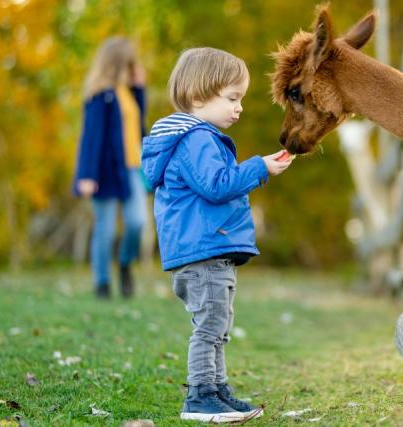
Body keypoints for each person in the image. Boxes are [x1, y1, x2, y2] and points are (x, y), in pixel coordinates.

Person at [141, 47, 293, 423]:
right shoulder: (196, 140)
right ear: (197, 98)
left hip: (209, 250)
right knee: (209, 327)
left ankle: (217, 389)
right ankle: (199, 396)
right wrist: (259, 168)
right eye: (232, 98)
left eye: (240, 98)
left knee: (217, 327)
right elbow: (216, 185)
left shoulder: (200, 138)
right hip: (203, 252)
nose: (239, 107)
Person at [73, 36, 147, 299]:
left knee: (137, 223)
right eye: (130, 63)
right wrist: (86, 175)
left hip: (132, 170)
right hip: (104, 172)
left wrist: (140, 89)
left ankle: (125, 263)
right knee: (104, 229)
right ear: (118, 63)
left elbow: (139, 130)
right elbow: (90, 138)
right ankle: (102, 284)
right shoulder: (100, 96)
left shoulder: (128, 93)